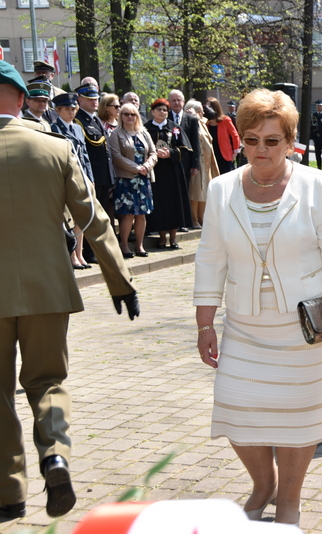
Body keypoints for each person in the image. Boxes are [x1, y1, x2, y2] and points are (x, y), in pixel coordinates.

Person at [194, 88, 322, 526]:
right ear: (241, 141)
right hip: (245, 327)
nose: (261, 149)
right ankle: (262, 483)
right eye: (251, 140)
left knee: (299, 418)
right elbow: (210, 258)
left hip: (305, 328)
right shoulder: (222, 188)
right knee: (235, 406)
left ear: (290, 142)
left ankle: (289, 498)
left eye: (272, 140)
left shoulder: (315, 184)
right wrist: (204, 324)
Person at [0, 60, 138, 521]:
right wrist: (120, 281)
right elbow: (92, 217)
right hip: (46, 291)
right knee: (47, 382)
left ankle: (9, 492)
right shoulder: (55, 149)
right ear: (22, 101)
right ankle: (55, 455)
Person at [51, 92, 95, 270]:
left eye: (73, 109)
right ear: (58, 110)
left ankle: (80, 253)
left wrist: (90, 178)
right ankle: (72, 255)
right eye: (67, 109)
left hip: (81, 177)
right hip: (66, 178)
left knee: (81, 217)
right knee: (69, 217)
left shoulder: (77, 128)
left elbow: (85, 156)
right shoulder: (54, 129)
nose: (71, 113)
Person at [109, 102, 157, 258]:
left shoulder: (144, 133)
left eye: (133, 114)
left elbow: (153, 153)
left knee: (142, 214)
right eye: (126, 114)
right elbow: (116, 156)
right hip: (126, 179)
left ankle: (140, 245)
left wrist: (147, 166)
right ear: (120, 116)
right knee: (128, 214)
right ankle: (124, 245)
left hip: (143, 179)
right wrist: (136, 168)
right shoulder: (116, 134)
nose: (130, 117)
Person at [144, 98, 192, 249]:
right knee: (159, 204)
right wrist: (153, 154)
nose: (162, 112)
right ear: (152, 112)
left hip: (172, 171)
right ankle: (162, 238)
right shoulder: (145, 128)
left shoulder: (175, 128)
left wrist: (170, 153)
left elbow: (185, 149)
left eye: (165, 110)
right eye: (159, 109)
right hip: (155, 172)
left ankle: (173, 238)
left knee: (174, 203)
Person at [75, 83, 115, 230]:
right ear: (80, 100)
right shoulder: (78, 120)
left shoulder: (96, 119)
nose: (94, 101)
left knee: (102, 212)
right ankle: (90, 252)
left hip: (103, 175)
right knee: (91, 215)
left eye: (96, 98)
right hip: (93, 176)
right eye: (90, 99)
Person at [183, 99, 220, 228]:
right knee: (196, 191)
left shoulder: (202, 123)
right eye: (200, 111)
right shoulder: (191, 122)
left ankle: (201, 217)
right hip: (199, 161)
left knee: (205, 191)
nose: (203, 113)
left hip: (207, 162)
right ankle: (193, 218)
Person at [169, 90, 201, 191]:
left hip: (186, 163)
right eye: (173, 100)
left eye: (179, 100)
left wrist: (195, 165)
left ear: (183, 102)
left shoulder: (192, 120)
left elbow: (195, 143)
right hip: (169, 162)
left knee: (184, 191)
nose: (176, 103)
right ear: (169, 102)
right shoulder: (165, 118)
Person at [206, 96, 240, 174]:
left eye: (209, 107)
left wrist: (235, 152)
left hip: (224, 155)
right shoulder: (206, 122)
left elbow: (235, 135)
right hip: (211, 156)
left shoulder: (225, 120)